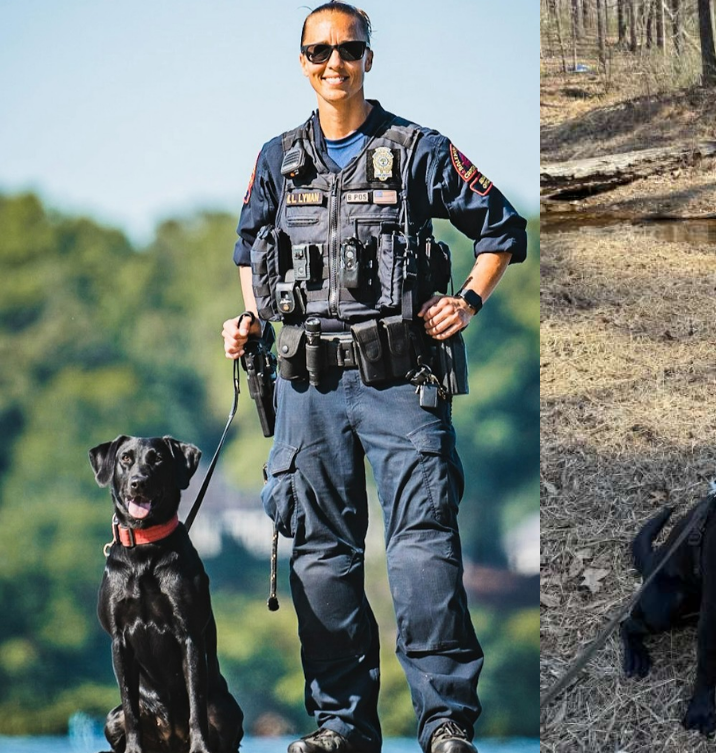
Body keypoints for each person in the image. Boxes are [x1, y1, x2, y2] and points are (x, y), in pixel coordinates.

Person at [221, 3, 528, 752]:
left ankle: (445, 722)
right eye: (320, 51)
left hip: (401, 383)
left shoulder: (418, 150)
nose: (335, 63)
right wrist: (251, 321)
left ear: (368, 57)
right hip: (307, 388)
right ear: (302, 61)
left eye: (348, 49)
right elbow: (249, 249)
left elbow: (503, 228)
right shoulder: (276, 158)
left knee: (423, 554)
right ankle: (342, 726)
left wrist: (468, 301)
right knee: (322, 561)